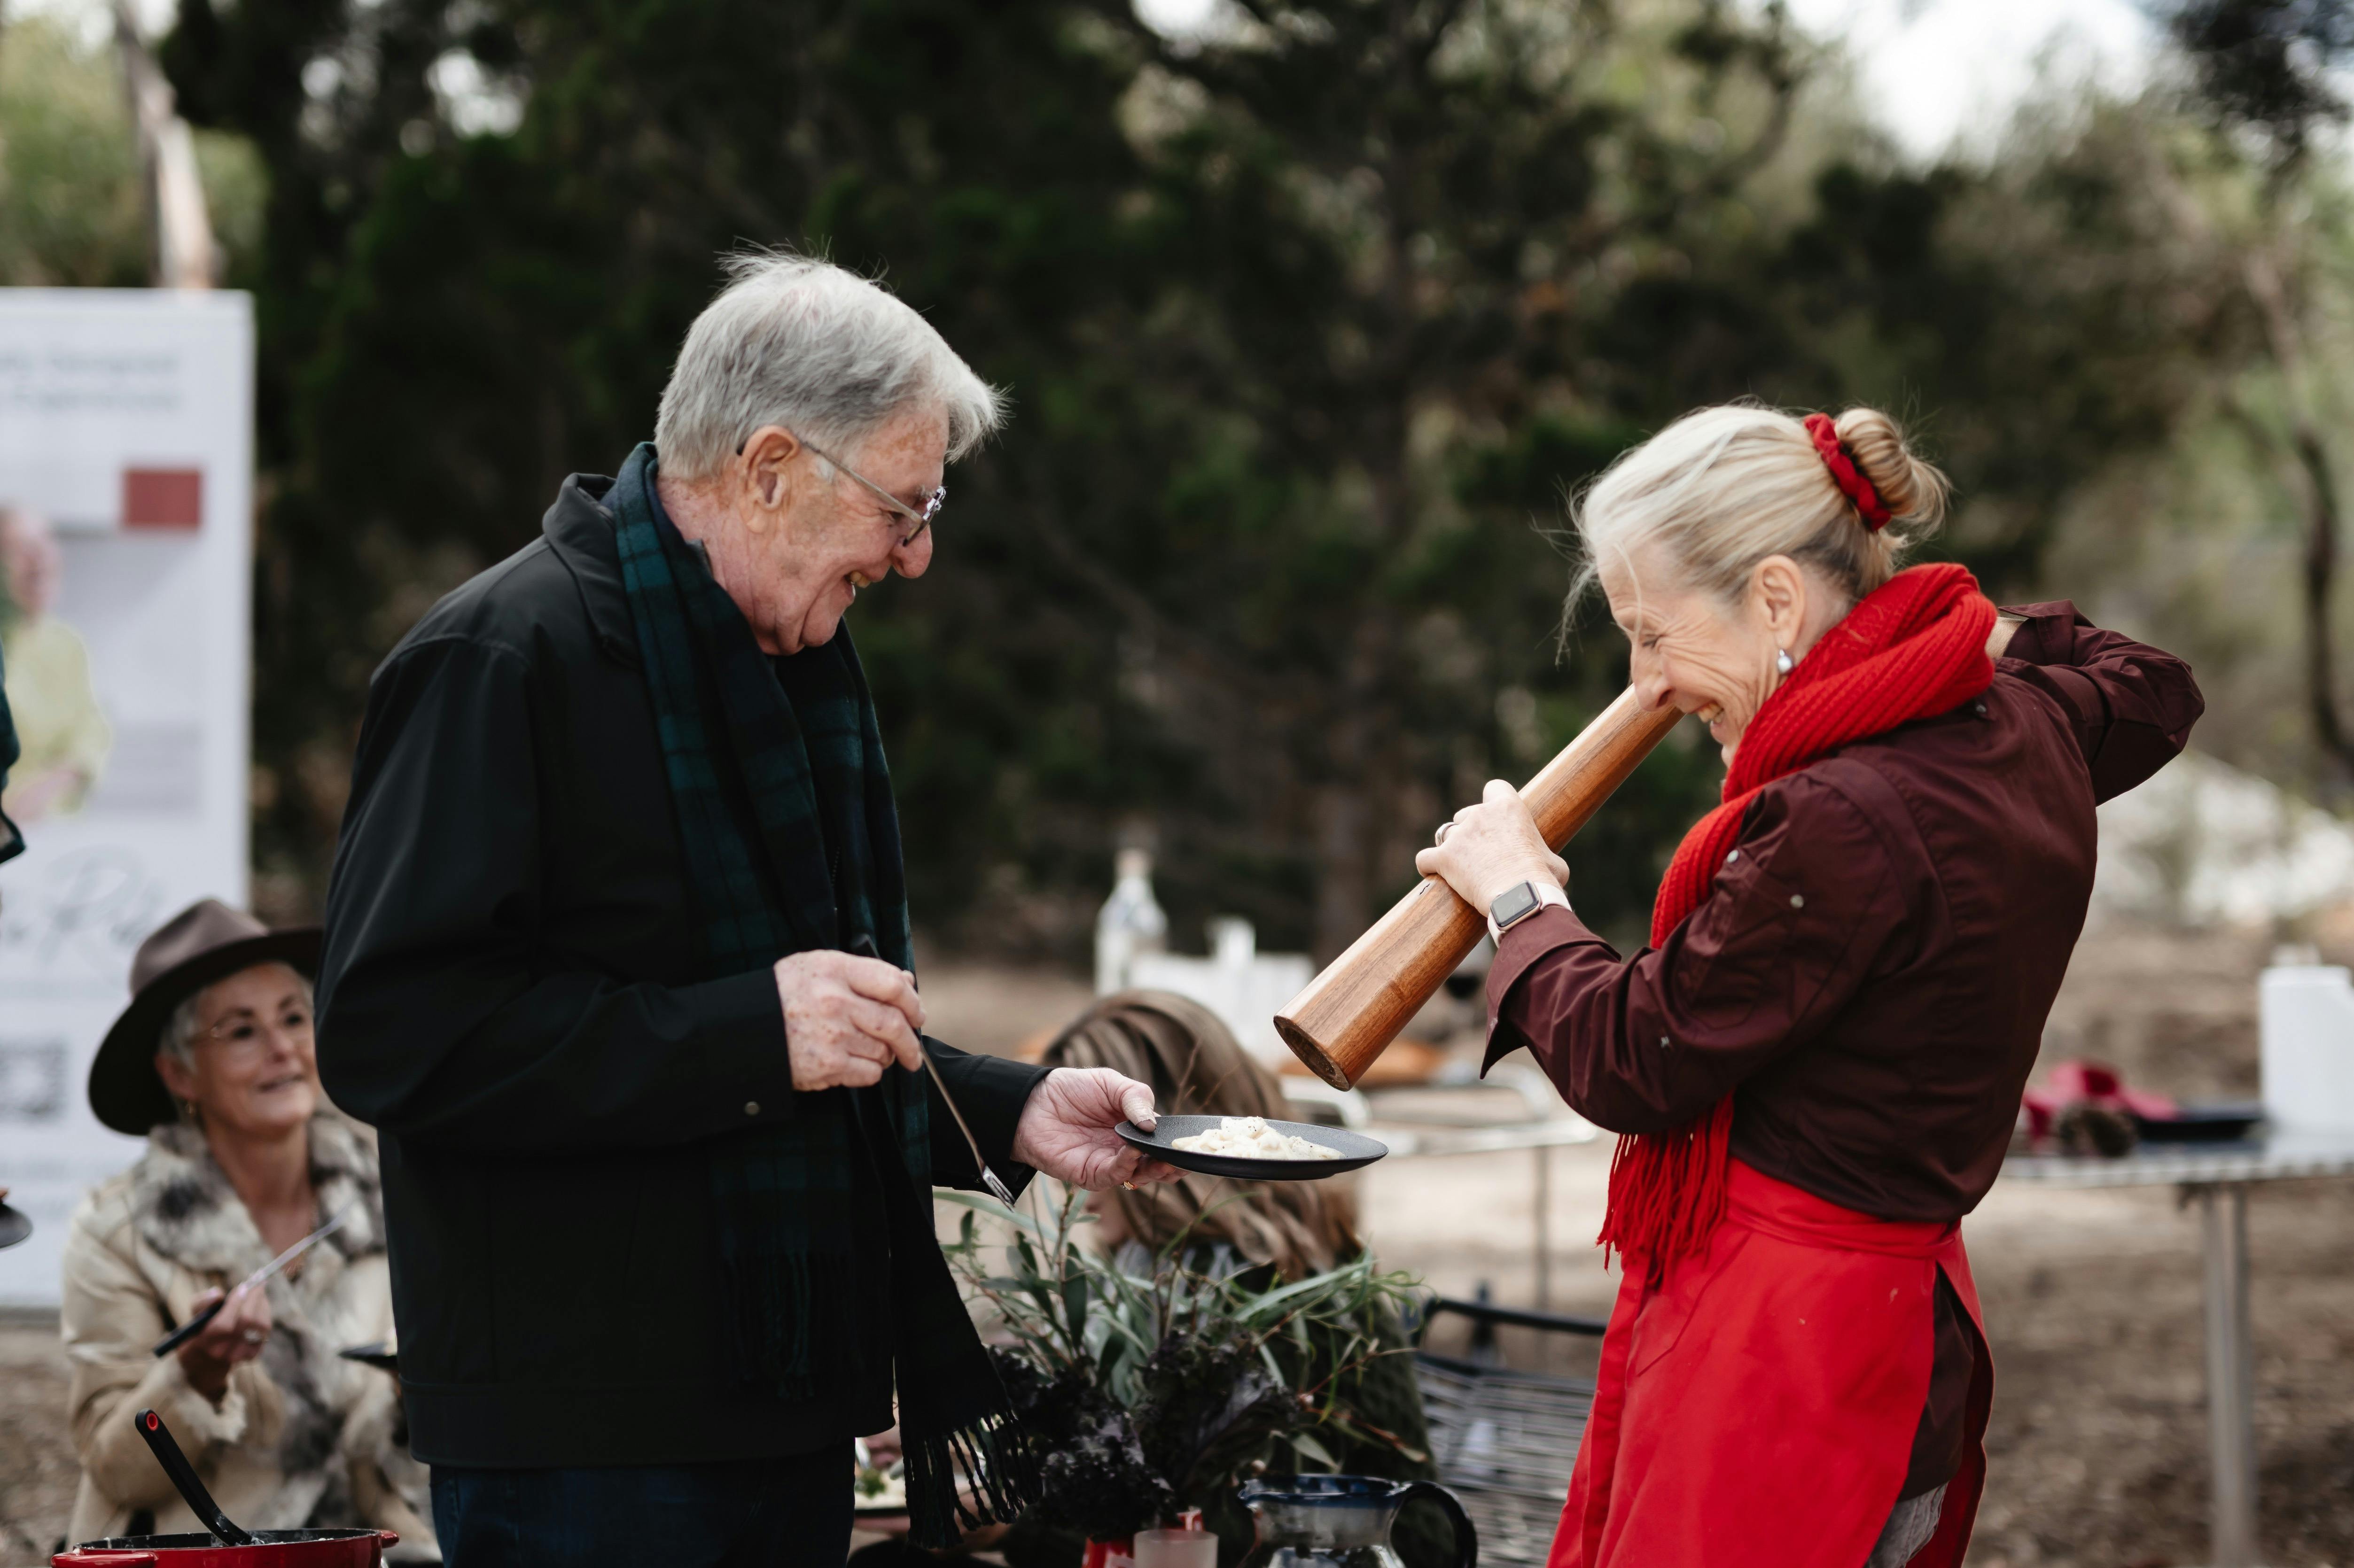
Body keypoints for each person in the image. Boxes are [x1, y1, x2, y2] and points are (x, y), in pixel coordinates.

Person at [315, 253, 1176, 1568]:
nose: (920, 555)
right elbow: (391, 1032)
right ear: (769, 466)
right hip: (584, 1443)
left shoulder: (784, 670)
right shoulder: (499, 658)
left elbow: (812, 1039)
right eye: (906, 503)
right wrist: (746, 1036)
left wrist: (1012, 1108)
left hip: (779, 1402)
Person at [1415, 404, 2202, 1568]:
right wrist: (1938, 635)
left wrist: (1519, 896)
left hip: (1786, 1353)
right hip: (1889, 1322)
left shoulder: (1835, 816)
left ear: (1775, 599)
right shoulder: (2017, 723)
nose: (1645, 685)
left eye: (1650, 631)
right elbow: (2148, 682)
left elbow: (1635, 1055)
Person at [60, 899, 435, 1557]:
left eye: (294, 1017)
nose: (284, 1049)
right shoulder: (117, 1232)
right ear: (179, 1073)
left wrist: (422, 1383)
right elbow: (118, 1470)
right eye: (240, 1031)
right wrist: (195, 1372)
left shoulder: (395, 1197)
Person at [0, 502, 111, 824]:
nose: (38, 558)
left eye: (44, 543)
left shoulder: (67, 645)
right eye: (19, 548)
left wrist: (58, 779)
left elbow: (90, 731)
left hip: (50, 839)